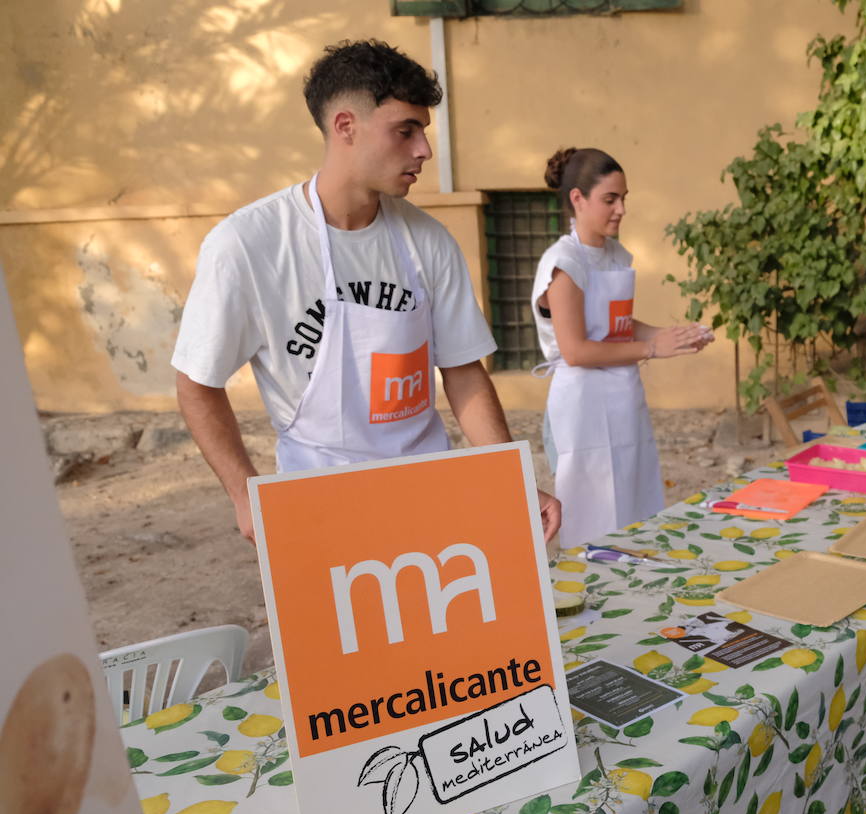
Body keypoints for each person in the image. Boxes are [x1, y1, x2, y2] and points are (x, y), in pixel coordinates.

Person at [172, 39, 559, 543]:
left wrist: (515, 479)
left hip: (431, 490)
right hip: (316, 503)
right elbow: (197, 382)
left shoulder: (428, 240)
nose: (424, 149)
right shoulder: (248, 244)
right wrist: (245, 493)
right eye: (406, 130)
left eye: (423, 130)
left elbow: (463, 373)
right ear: (346, 127)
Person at [530, 147, 712, 547]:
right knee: (590, 515)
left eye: (624, 198)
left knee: (632, 498)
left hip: (622, 398)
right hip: (582, 406)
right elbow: (576, 349)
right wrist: (651, 350)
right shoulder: (564, 262)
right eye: (610, 199)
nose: (621, 209)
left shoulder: (614, 255)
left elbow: (618, 327)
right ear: (577, 199)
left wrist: (672, 337)